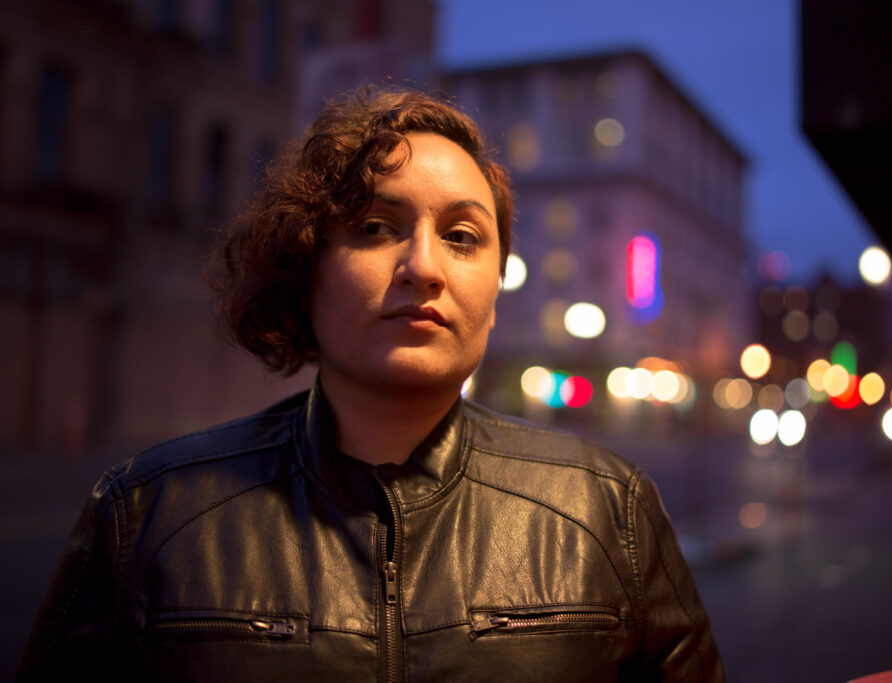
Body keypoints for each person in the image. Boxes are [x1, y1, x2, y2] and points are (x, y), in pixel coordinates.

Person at [18, 88, 724, 682]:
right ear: (307, 266)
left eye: (463, 236)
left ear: (496, 288)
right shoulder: (147, 513)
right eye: (377, 226)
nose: (423, 266)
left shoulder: (608, 511)